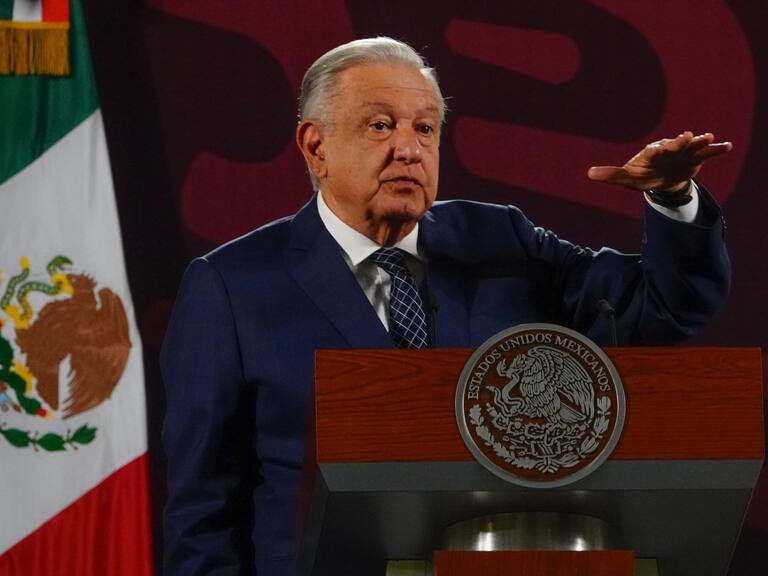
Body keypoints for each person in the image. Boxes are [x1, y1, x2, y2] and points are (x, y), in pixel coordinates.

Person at [161, 37, 731, 575]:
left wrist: (673, 199)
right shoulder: (233, 286)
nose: (409, 148)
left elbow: (660, 308)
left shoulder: (500, 241)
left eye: (426, 129)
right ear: (316, 146)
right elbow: (203, 508)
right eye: (380, 125)